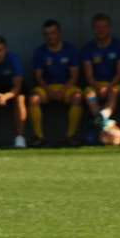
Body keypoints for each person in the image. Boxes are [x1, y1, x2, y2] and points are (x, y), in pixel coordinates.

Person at [29, 19, 82, 147]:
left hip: (66, 87)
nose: (50, 36)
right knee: (34, 99)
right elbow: (38, 77)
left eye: (53, 33)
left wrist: (62, 91)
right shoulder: (40, 52)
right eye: (46, 34)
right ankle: (39, 137)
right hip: (47, 88)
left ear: (59, 33)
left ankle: (71, 136)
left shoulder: (70, 50)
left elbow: (74, 76)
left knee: (77, 97)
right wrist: (49, 91)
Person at [80, 13, 120, 138]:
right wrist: (97, 86)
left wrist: (108, 87)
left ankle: (102, 116)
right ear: (93, 29)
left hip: (114, 84)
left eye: (104, 27)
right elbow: (89, 75)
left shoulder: (119, 47)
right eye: (97, 27)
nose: (100, 30)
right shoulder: (88, 48)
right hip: (95, 84)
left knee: (113, 91)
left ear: (109, 28)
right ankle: (104, 123)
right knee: (89, 94)